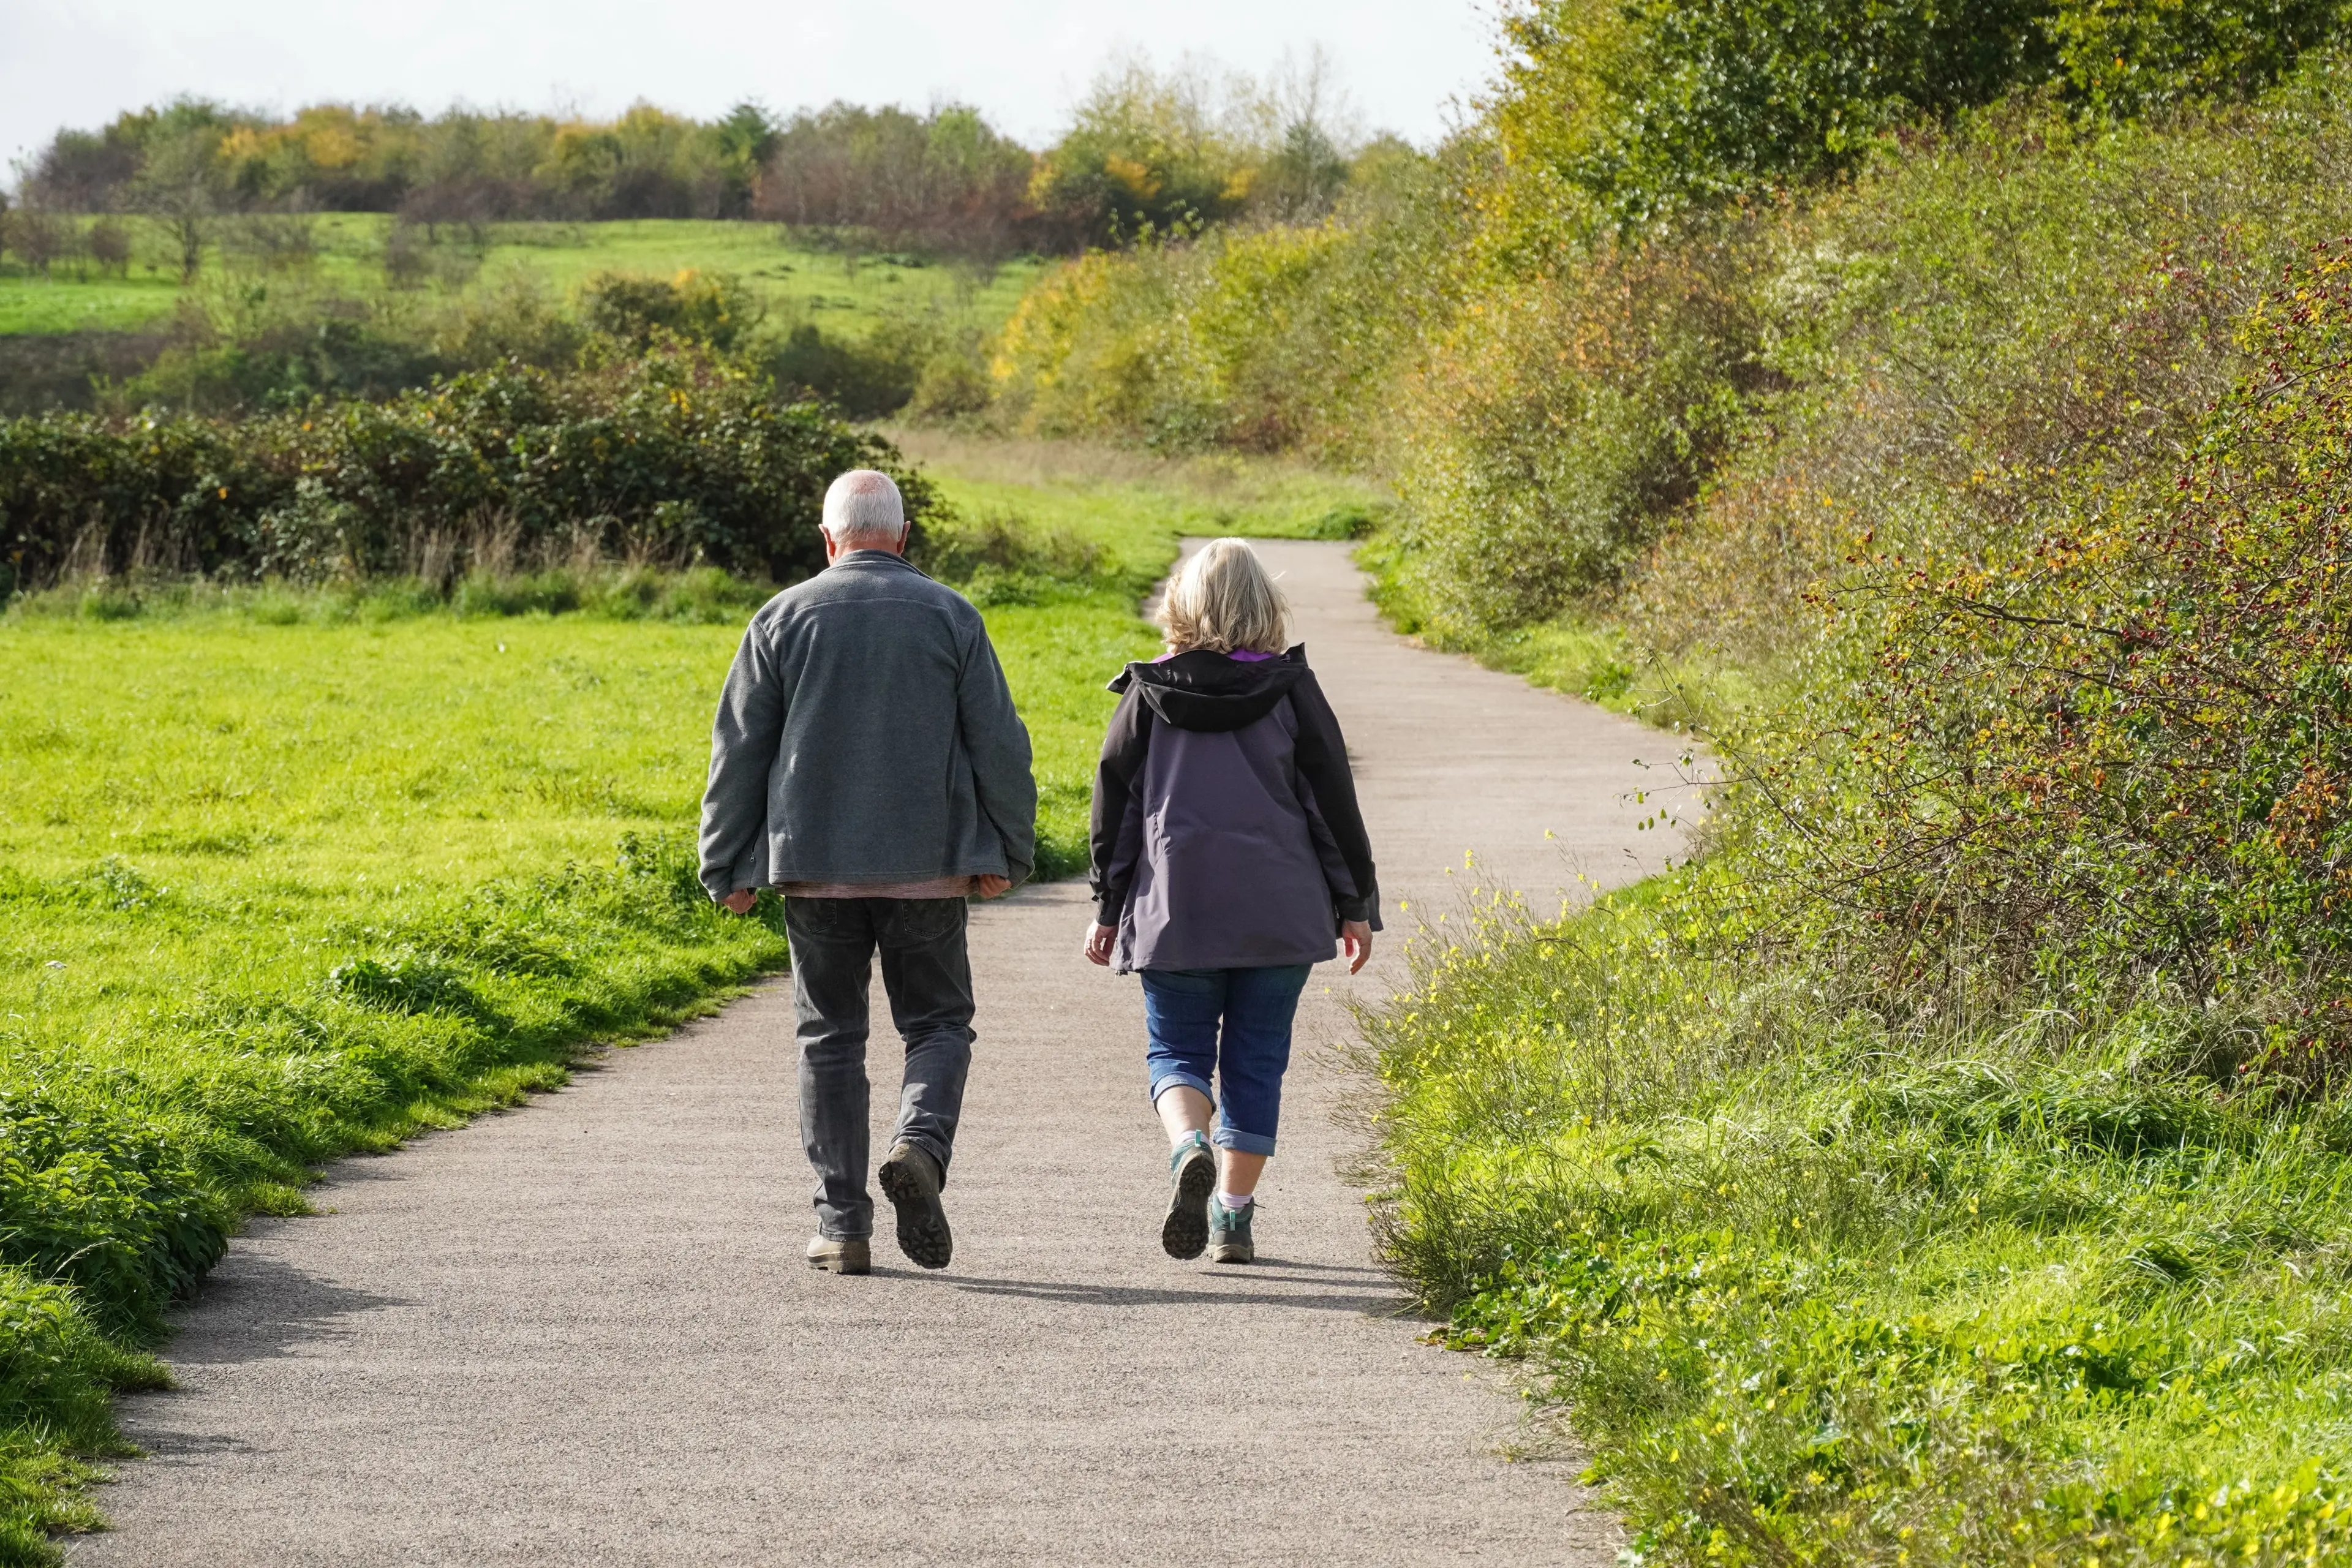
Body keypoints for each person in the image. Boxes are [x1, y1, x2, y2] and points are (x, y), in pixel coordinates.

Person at [700, 469, 1036, 1277]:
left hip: (811, 866)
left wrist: (725, 864)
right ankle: (918, 1145)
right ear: (903, 536)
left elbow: (740, 749)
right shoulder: (952, 616)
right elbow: (1000, 743)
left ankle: (842, 1223)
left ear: (828, 539)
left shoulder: (780, 618)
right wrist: (1008, 850)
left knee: (829, 1038)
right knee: (938, 1025)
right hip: (928, 866)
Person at [1082, 538, 1378, 1264]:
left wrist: (1107, 904)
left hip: (1175, 910)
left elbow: (1115, 813)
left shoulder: (1148, 697)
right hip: (1280, 912)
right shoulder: (1292, 692)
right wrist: (1356, 903)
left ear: (1180, 607)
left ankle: (1190, 1146)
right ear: (1263, 608)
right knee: (1257, 1059)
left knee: (1177, 1050)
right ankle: (1233, 1218)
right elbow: (1331, 805)